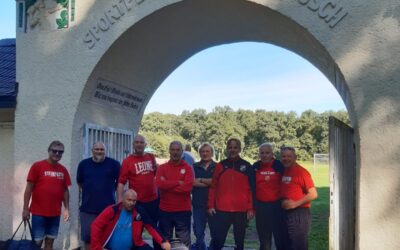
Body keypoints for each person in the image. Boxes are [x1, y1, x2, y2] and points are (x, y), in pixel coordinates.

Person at [22, 140, 71, 250]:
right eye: (54, 151)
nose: (57, 154)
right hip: (38, 213)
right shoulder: (37, 166)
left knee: (50, 241)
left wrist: (67, 208)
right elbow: (28, 189)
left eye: (60, 152)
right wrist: (25, 209)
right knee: (37, 243)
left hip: (55, 213)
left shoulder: (63, 170)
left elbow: (65, 190)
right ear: (49, 151)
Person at [207, 138, 255, 250]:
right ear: (226, 149)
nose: (232, 150)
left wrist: (251, 208)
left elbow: (251, 189)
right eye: (230, 147)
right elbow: (213, 187)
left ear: (239, 149)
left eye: (235, 147)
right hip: (222, 209)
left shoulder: (247, 166)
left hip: (241, 210)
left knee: (239, 240)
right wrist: (210, 205)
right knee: (218, 239)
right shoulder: (220, 165)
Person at [117, 134, 161, 249]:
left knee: (154, 229)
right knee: (136, 232)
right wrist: (120, 201)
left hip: (153, 201)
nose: (139, 144)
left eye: (141, 142)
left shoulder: (151, 157)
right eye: (137, 142)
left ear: (145, 145)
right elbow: (121, 182)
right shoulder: (127, 161)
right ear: (133, 145)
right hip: (137, 203)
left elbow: (156, 174)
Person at [91, 189, 171, 250]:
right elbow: (95, 226)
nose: (132, 203)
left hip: (134, 246)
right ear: (123, 199)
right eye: (129, 200)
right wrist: (97, 248)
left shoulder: (139, 211)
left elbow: (151, 227)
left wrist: (163, 241)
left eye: (134, 201)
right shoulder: (112, 210)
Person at [76, 142, 120, 250]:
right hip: (87, 209)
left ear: (105, 151)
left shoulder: (114, 164)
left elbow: (119, 183)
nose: (99, 151)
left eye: (102, 149)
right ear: (92, 150)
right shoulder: (83, 164)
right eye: (97, 149)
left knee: (108, 237)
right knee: (88, 238)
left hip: (107, 209)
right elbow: (80, 182)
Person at [156, 141, 194, 248]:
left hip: (183, 211)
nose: (175, 152)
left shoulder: (188, 168)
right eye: (173, 150)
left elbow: (187, 188)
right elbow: (159, 184)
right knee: (164, 241)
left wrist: (167, 184)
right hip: (165, 210)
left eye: (178, 150)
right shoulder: (162, 168)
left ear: (182, 152)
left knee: (184, 242)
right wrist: (178, 182)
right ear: (169, 151)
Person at [280, 147, 318, 250]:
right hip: (286, 213)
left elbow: (313, 194)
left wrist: (295, 204)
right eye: (283, 156)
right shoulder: (285, 170)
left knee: (298, 245)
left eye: (289, 156)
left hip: (299, 214)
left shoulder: (301, 172)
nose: (286, 158)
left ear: (295, 157)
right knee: (287, 244)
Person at [253, 143, 286, 250]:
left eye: (267, 153)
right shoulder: (255, 166)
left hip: (277, 207)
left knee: (280, 238)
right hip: (261, 207)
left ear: (272, 153)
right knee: (264, 240)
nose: (264, 155)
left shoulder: (279, 166)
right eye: (262, 153)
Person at [192, 143, 217, 250]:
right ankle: (201, 247)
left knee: (215, 232)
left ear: (212, 153)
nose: (205, 153)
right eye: (202, 151)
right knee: (198, 231)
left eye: (207, 151)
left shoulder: (217, 167)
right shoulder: (194, 166)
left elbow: (217, 183)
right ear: (199, 153)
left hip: (214, 205)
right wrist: (210, 183)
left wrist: (201, 180)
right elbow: (192, 182)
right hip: (198, 204)